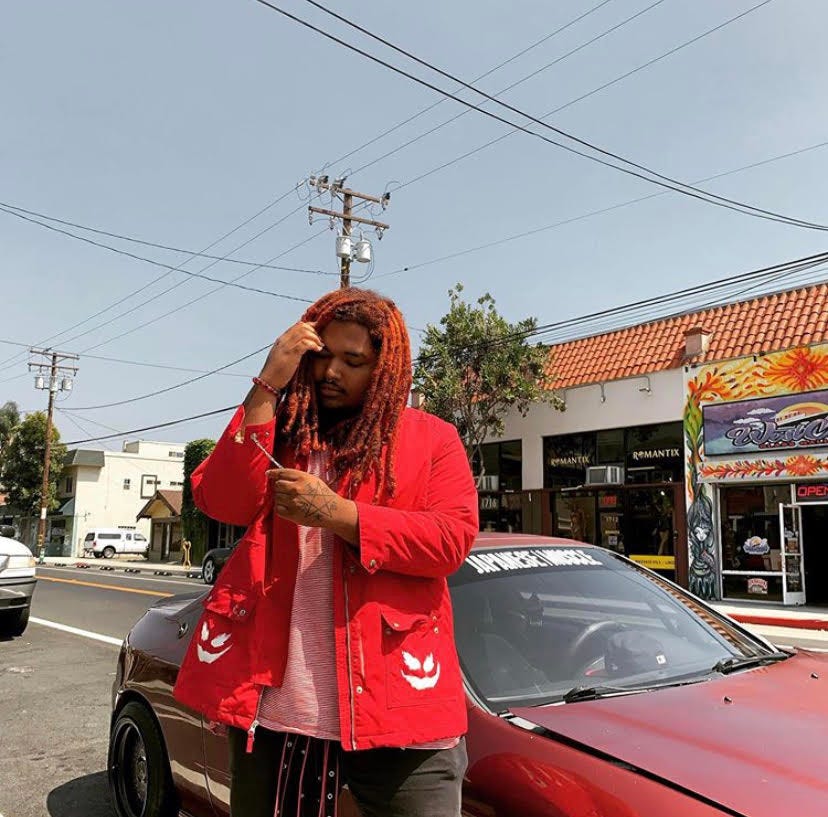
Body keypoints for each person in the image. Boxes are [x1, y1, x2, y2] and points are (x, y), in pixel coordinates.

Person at [173, 288, 479, 817]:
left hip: (400, 709)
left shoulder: (432, 439)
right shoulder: (282, 433)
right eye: (322, 357)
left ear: (384, 369)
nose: (331, 372)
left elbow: (450, 541)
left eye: (353, 361)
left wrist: (337, 514)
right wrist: (267, 384)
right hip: (279, 714)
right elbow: (221, 500)